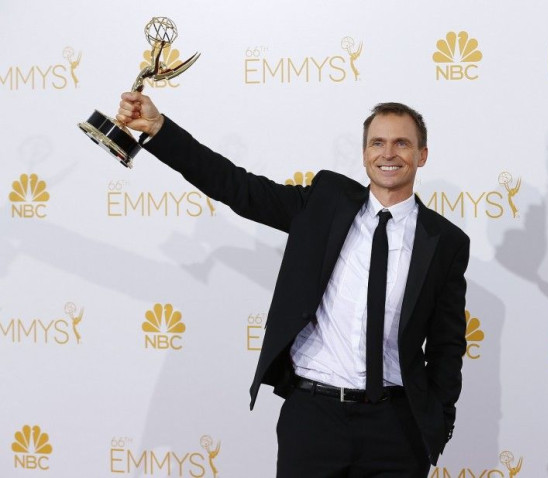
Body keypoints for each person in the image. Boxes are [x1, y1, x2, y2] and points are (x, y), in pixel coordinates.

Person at [117, 92, 470, 477]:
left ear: (422, 155)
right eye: (378, 143)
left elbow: (446, 344)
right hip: (313, 419)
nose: (389, 153)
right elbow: (239, 187)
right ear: (365, 152)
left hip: (396, 428)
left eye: (402, 143)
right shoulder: (325, 201)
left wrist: (437, 423)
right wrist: (159, 129)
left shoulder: (445, 241)